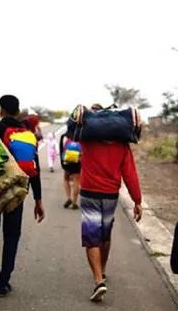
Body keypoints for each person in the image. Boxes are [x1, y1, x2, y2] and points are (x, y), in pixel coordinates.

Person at [0, 95, 45, 300]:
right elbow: (34, 168)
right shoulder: (27, 133)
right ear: (17, 111)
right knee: (11, 237)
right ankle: (3, 282)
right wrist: (38, 200)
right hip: (16, 192)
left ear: (1, 110)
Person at [79, 103, 143, 303]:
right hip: (110, 195)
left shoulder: (86, 140)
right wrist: (137, 200)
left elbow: (76, 125)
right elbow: (130, 174)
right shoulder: (122, 145)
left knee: (91, 237)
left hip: (89, 192)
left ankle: (98, 280)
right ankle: (103, 272)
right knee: (105, 235)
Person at [60, 132, 81, 209]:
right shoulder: (81, 137)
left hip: (68, 162)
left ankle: (69, 198)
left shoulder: (67, 138)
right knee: (76, 181)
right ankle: (75, 202)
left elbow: (63, 150)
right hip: (77, 161)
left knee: (66, 179)